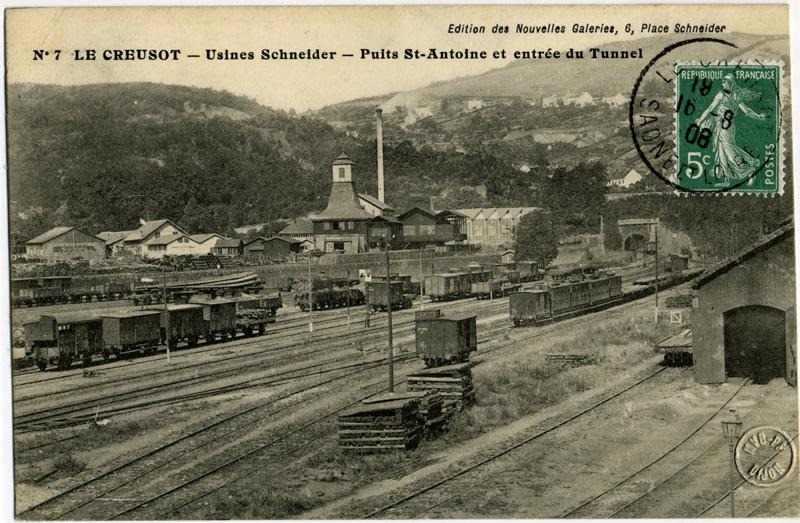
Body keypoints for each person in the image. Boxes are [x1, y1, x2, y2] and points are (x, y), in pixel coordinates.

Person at [695, 74, 767, 184]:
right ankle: (725, 178)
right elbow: (711, 109)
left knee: (728, 148)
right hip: (722, 125)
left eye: (725, 82)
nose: (723, 84)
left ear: (731, 83)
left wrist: (757, 116)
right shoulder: (726, 95)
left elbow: (746, 110)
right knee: (721, 150)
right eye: (722, 82)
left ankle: (749, 168)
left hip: (726, 125)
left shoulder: (727, 96)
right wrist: (700, 121)